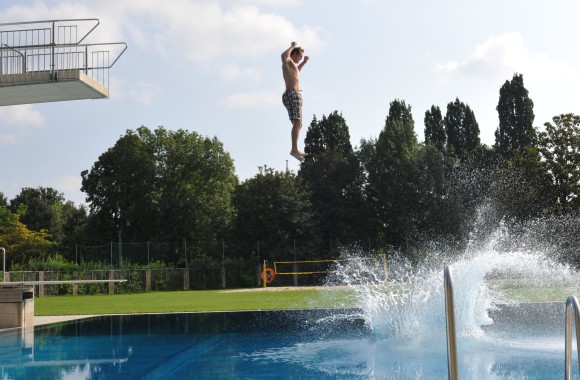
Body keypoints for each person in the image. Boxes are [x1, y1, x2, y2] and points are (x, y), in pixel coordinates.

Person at [281, 41, 309, 162]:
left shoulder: (292, 66)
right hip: (292, 93)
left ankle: (295, 149)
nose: (300, 59)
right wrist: (292, 46)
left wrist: (304, 62)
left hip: (292, 94)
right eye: (300, 57)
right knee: (297, 123)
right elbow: (283, 56)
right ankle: (294, 149)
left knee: (298, 124)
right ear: (295, 54)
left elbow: (297, 71)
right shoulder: (287, 61)